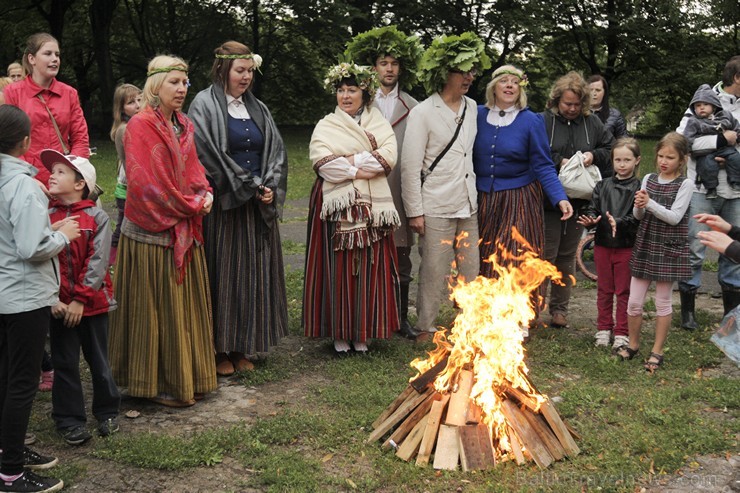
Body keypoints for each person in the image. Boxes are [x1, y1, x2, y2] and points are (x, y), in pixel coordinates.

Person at [109, 55, 217, 407]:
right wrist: (191, 205)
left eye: (185, 82)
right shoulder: (140, 126)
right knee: (153, 313)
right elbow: (146, 186)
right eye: (174, 82)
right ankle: (154, 384)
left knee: (182, 312)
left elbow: (195, 169)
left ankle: (189, 376)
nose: (182, 89)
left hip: (183, 229)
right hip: (151, 235)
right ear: (156, 85)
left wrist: (205, 193)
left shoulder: (184, 124)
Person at [189, 41, 288, 375]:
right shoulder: (203, 104)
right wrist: (247, 183)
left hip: (256, 205)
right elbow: (207, 151)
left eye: (250, 71)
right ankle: (219, 348)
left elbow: (276, 150)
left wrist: (270, 185)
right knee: (224, 273)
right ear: (223, 70)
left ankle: (243, 345)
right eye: (240, 71)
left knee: (252, 274)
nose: (246, 77)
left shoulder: (257, 107)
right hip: (225, 205)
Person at [0, 105, 79, 493]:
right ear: (26, 142)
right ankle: (10, 473)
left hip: (3, 294)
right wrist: (63, 233)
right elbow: (32, 246)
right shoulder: (24, 186)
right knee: (22, 383)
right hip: (25, 297)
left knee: (5, 377)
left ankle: (5, 450)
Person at [303, 63, 400, 354]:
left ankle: (362, 332)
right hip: (335, 204)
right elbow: (324, 165)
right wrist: (363, 162)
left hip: (371, 207)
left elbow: (388, 158)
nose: (345, 96)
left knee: (369, 266)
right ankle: (339, 333)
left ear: (364, 93)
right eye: (341, 90)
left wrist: (349, 162)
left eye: (352, 90)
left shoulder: (379, 123)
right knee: (337, 267)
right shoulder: (326, 125)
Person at [472, 64, 572, 338]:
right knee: (486, 256)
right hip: (484, 198)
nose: (509, 86)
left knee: (516, 255)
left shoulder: (530, 120)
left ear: (520, 89)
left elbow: (543, 164)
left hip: (519, 196)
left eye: (514, 82)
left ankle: (518, 317)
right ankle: (488, 313)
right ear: (493, 87)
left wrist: (559, 197)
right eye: (503, 81)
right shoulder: (477, 115)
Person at [402, 32, 490, 334]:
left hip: (468, 204)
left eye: (472, 71)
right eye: (462, 71)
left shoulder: (473, 109)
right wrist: (415, 211)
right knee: (433, 272)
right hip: (435, 205)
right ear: (444, 73)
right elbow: (410, 167)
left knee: (470, 271)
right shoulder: (423, 112)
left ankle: (468, 328)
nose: (469, 77)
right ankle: (425, 328)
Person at [344, 26, 423, 339]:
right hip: (366, 188)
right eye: (382, 63)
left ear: (401, 68)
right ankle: (366, 316)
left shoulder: (414, 107)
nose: (389, 69)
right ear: (373, 68)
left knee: (402, 256)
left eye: (393, 63)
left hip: (400, 191)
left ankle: (400, 319)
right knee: (365, 254)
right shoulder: (358, 104)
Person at [42, 150, 120, 446]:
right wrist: (54, 300)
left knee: (99, 361)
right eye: (53, 171)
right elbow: (41, 260)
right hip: (59, 308)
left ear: (80, 184)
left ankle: (107, 411)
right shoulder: (47, 218)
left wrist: (80, 299)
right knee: (64, 363)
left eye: (61, 171)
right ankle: (69, 419)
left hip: (93, 305)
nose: (52, 174)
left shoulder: (97, 218)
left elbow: (98, 261)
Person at [615, 133, 693, 372]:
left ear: (682, 160)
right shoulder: (648, 178)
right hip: (646, 244)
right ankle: (634, 344)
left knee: (662, 303)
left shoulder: (685, 184)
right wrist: (639, 206)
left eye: (670, 157)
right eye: (660, 155)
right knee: (634, 303)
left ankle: (657, 352)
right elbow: (639, 216)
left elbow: (674, 217)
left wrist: (648, 203)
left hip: (668, 248)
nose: (663, 161)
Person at [541, 71, 614, 328]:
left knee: (567, 254)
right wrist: (559, 160)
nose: (571, 109)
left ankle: (560, 309)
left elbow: (610, 149)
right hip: (547, 200)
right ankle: (532, 308)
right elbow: (534, 152)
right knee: (545, 253)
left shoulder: (592, 123)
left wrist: (592, 156)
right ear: (557, 100)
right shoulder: (543, 121)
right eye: (567, 104)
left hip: (580, 201)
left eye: (576, 104)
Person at [677, 56, 740, 328]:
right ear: (737, 78)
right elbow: (682, 142)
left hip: (736, 193)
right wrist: (719, 141)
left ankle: (731, 316)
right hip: (703, 190)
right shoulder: (701, 102)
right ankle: (688, 312)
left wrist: (732, 154)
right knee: (695, 247)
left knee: (735, 253)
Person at [577, 138, 641, 350]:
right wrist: (590, 217)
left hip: (626, 246)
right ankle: (604, 328)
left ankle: (622, 331)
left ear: (637, 161)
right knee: (604, 289)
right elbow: (592, 207)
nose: (622, 164)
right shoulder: (602, 185)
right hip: (603, 245)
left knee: (623, 291)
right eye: (617, 160)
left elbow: (638, 218)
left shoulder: (639, 188)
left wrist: (619, 222)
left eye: (627, 160)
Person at [3, 33, 89, 189]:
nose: (55, 59)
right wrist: (26, 177)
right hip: (26, 180)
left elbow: (80, 138)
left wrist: (71, 172)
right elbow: (7, 141)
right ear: (32, 59)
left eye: (57, 54)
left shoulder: (69, 93)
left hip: (64, 182)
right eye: (48, 54)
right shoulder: (12, 93)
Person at [682, 83, 740, 199]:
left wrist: (737, 136)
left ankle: (735, 181)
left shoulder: (725, 116)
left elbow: (736, 126)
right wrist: (687, 150)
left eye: (705, 104)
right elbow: (686, 138)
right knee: (707, 165)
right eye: (698, 105)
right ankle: (711, 188)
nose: (702, 107)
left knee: (735, 158)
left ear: (714, 106)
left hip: (726, 150)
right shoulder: (693, 121)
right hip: (706, 153)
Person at [109, 83, 142, 266]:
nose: (137, 105)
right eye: (131, 102)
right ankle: (111, 259)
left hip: (132, 187)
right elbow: (130, 163)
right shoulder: (124, 129)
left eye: (139, 99)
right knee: (122, 226)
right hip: (127, 189)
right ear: (121, 108)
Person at [587, 74, 628, 139]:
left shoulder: (615, 115)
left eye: (598, 90)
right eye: (590, 90)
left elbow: (623, 142)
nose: (594, 94)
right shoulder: (578, 114)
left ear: (604, 93)